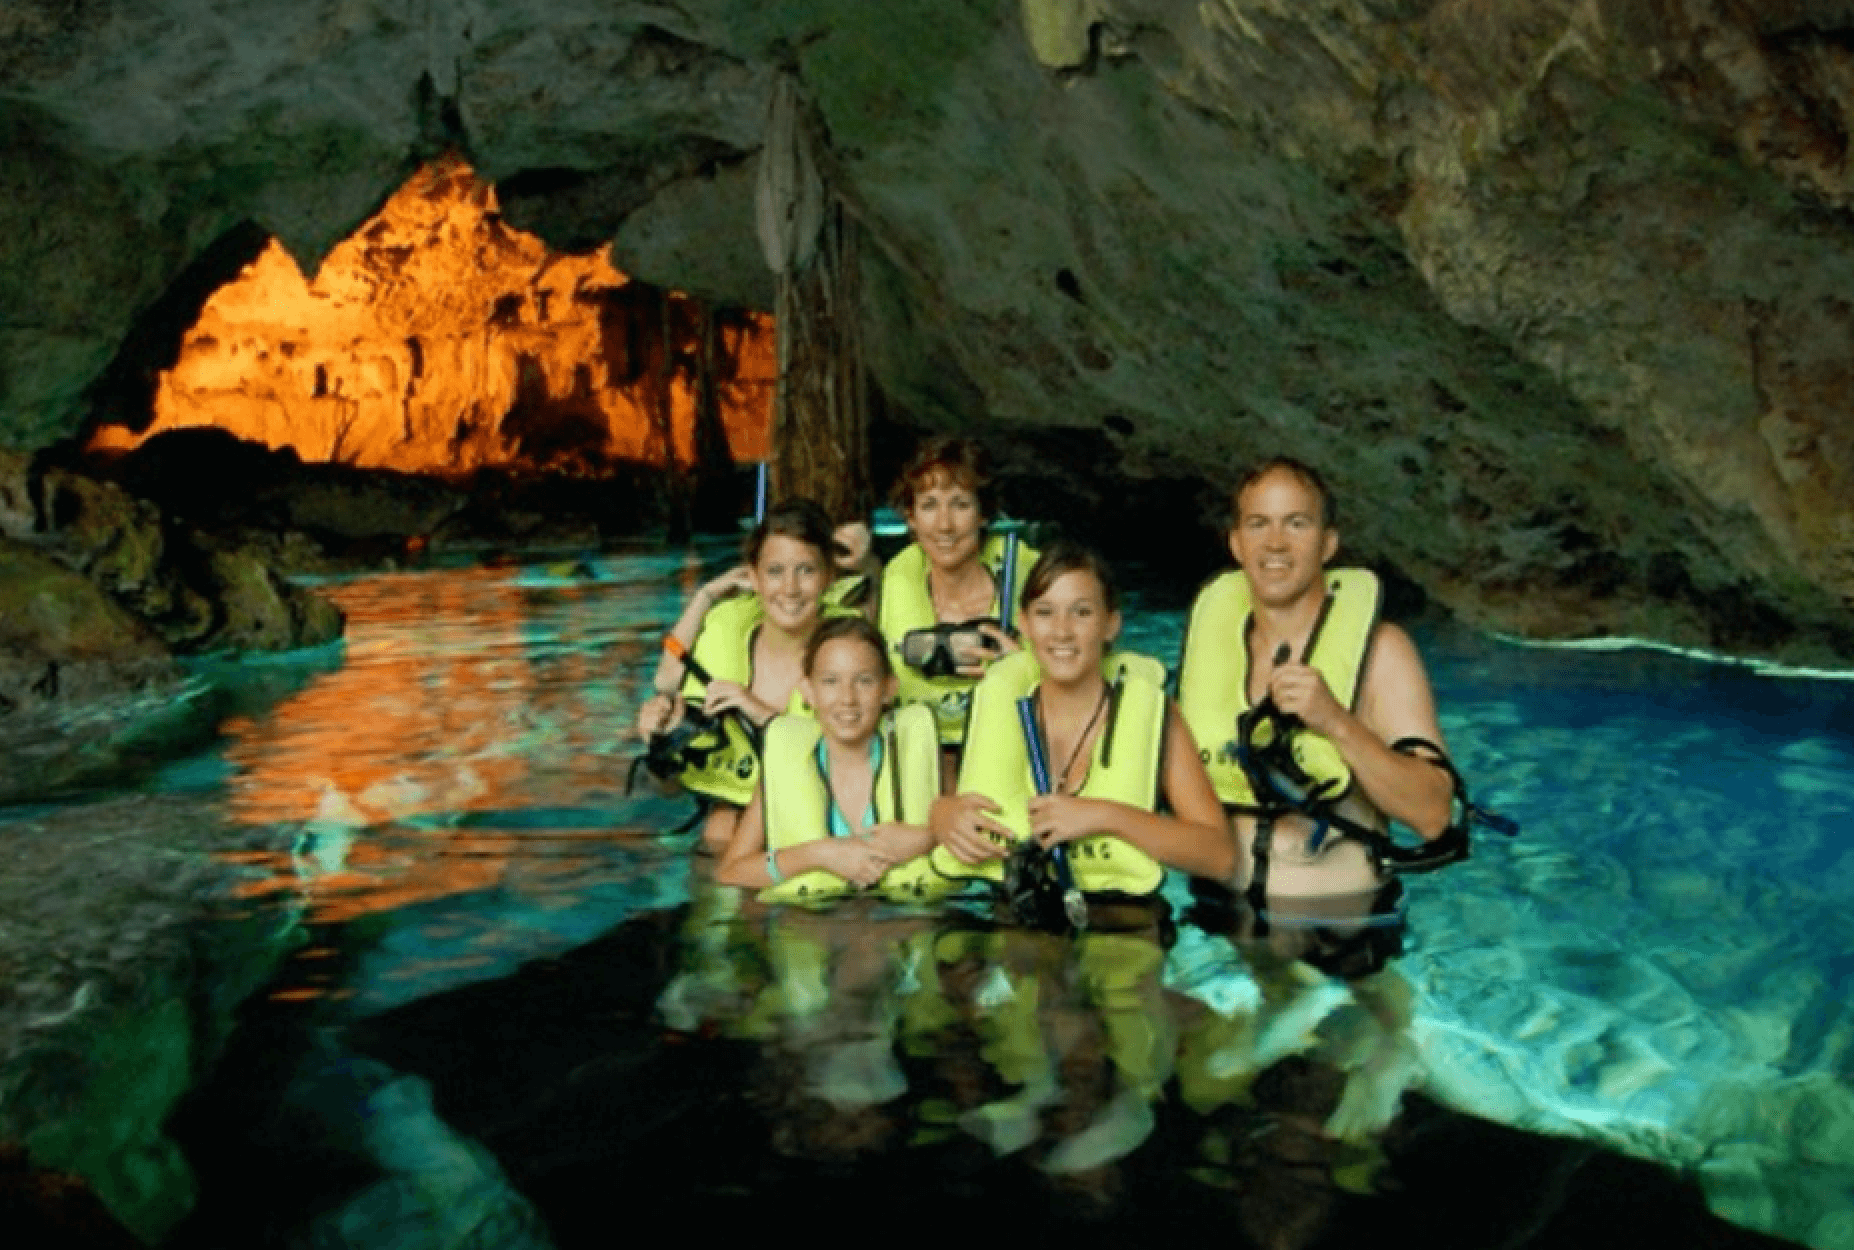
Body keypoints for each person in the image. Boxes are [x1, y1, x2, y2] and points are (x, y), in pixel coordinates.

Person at [1176, 457, 1456, 900]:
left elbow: (1433, 814)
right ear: (1236, 544)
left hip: (1341, 926)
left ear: (1328, 544)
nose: (1275, 544)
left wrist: (1333, 721)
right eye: (1258, 524)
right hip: (1219, 922)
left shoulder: (1382, 652)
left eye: (1297, 524)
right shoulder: (1212, 648)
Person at [930, 543, 1233, 908]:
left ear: (1111, 625)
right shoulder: (1000, 709)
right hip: (1014, 928)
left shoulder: (1154, 716)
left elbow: (1220, 857)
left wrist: (1105, 815)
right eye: (1045, 612)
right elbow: (949, 803)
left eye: (1082, 613)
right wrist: (941, 816)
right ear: (1024, 624)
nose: (1062, 631)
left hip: (1123, 930)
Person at [636, 499, 843, 852]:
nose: (790, 589)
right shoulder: (727, 632)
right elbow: (666, 788)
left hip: (821, 823)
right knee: (720, 828)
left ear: (829, 577)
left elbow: (859, 768)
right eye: (775, 571)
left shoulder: (849, 651)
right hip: (729, 820)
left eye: (806, 570)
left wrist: (759, 712)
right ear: (754, 578)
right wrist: (660, 742)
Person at [715, 616, 944, 900]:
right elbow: (732, 872)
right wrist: (820, 854)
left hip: (903, 921)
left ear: (888, 689)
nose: (847, 698)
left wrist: (927, 838)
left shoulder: (924, 756)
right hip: (815, 925)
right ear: (808, 692)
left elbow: (976, 835)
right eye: (830, 681)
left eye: (864, 681)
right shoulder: (785, 767)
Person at [877, 438, 1037, 762]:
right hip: (919, 759)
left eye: (960, 505)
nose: (945, 525)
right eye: (929, 505)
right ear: (911, 517)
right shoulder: (894, 581)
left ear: (982, 515)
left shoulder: (1030, 579)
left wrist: (1022, 668)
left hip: (1005, 752)